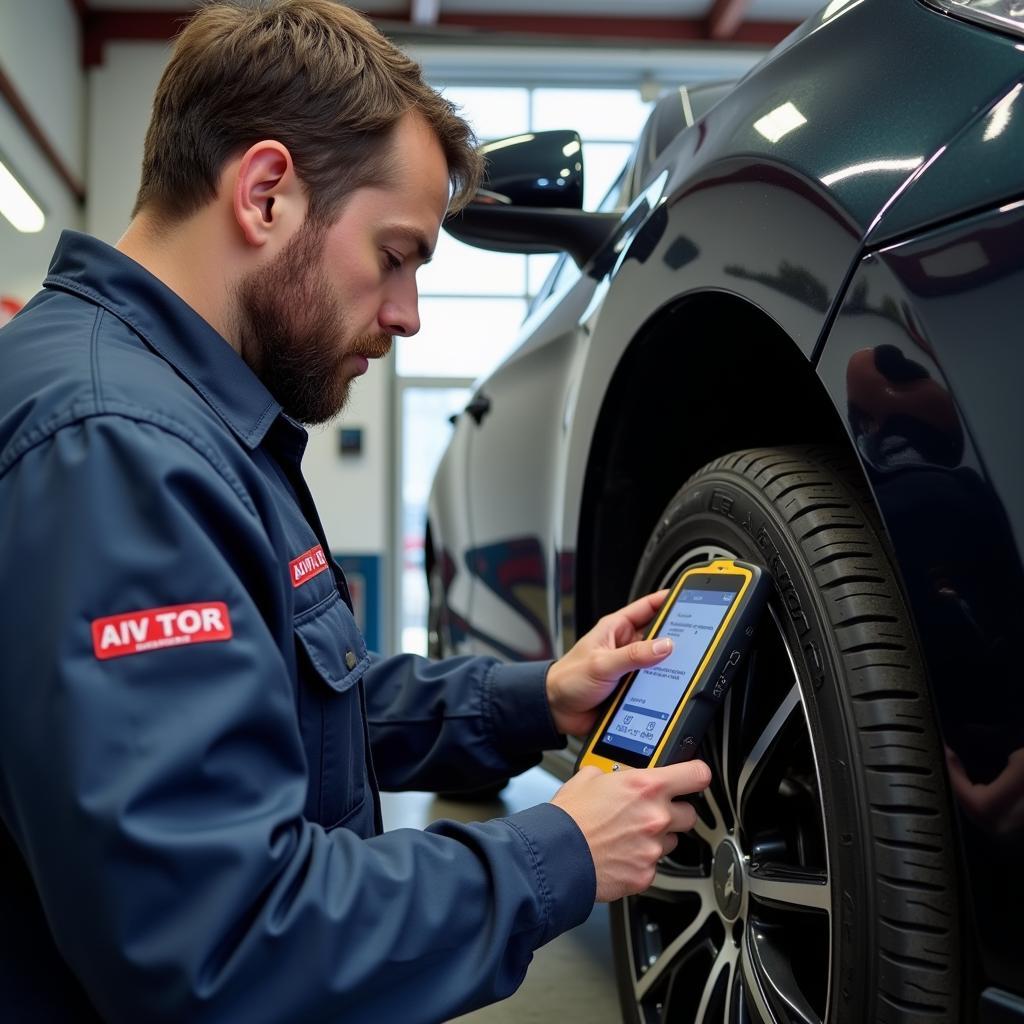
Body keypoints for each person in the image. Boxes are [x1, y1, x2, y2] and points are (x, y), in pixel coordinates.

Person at [0, 3, 711, 1021]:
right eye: (396, 253)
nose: (408, 314)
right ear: (267, 194)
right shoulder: (114, 449)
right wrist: (556, 850)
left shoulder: (172, 417)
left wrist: (538, 697)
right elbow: (218, 940)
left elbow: (280, 710)